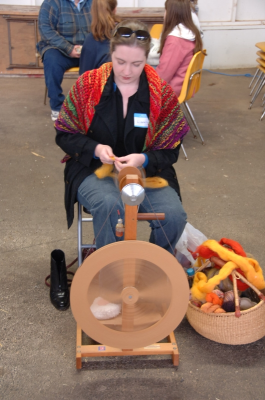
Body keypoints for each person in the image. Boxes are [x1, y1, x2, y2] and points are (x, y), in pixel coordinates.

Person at [55, 19, 189, 258]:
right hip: (93, 168)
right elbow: (65, 133)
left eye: (136, 64)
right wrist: (96, 149)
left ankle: (153, 266)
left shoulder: (162, 94)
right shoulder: (87, 86)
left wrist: (144, 159)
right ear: (111, 54)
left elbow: (171, 151)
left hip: (150, 173)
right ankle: (110, 269)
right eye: (120, 62)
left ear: (147, 59)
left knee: (173, 216)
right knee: (111, 206)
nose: (127, 71)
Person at [37, 0, 92, 121]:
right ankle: (57, 107)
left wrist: (91, 47)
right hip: (60, 49)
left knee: (105, 59)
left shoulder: (96, 3)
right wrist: (69, 48)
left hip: (88, 48)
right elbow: (45, 30)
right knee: (51, 60)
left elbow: (104, 25)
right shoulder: (51, 3)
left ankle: (93, 104)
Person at [152, 0, 203, 97]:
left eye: (165, 10)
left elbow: (163, 75)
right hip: (184, 85)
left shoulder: (176, 40)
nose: (164, 14)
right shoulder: (191, 33)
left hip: (172, 89)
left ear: (171, 14)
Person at [79, 0, 119, 75]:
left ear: (93, 11)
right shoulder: (126, 33)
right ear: (115, 9)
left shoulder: (91, 41)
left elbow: (83, 79)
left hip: (102, 84)